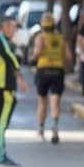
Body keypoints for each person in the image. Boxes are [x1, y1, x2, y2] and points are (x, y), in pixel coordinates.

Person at [0, 16, 28, 167]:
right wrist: (20, 77)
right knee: (0, 122)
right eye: (13, 27)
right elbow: (10, 57)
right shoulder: (0, 40)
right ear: (5, 27)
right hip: (2, 88)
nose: (15, 30)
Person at [31, 12, 69, 144]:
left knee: (42, 101)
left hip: (43, 69)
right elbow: (68, 56)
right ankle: (55, 124)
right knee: (55, 100)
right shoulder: (61, 38)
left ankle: (41, 128)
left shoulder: (40, 37)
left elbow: (37, 52)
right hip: (58, 70)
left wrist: (33, 58)